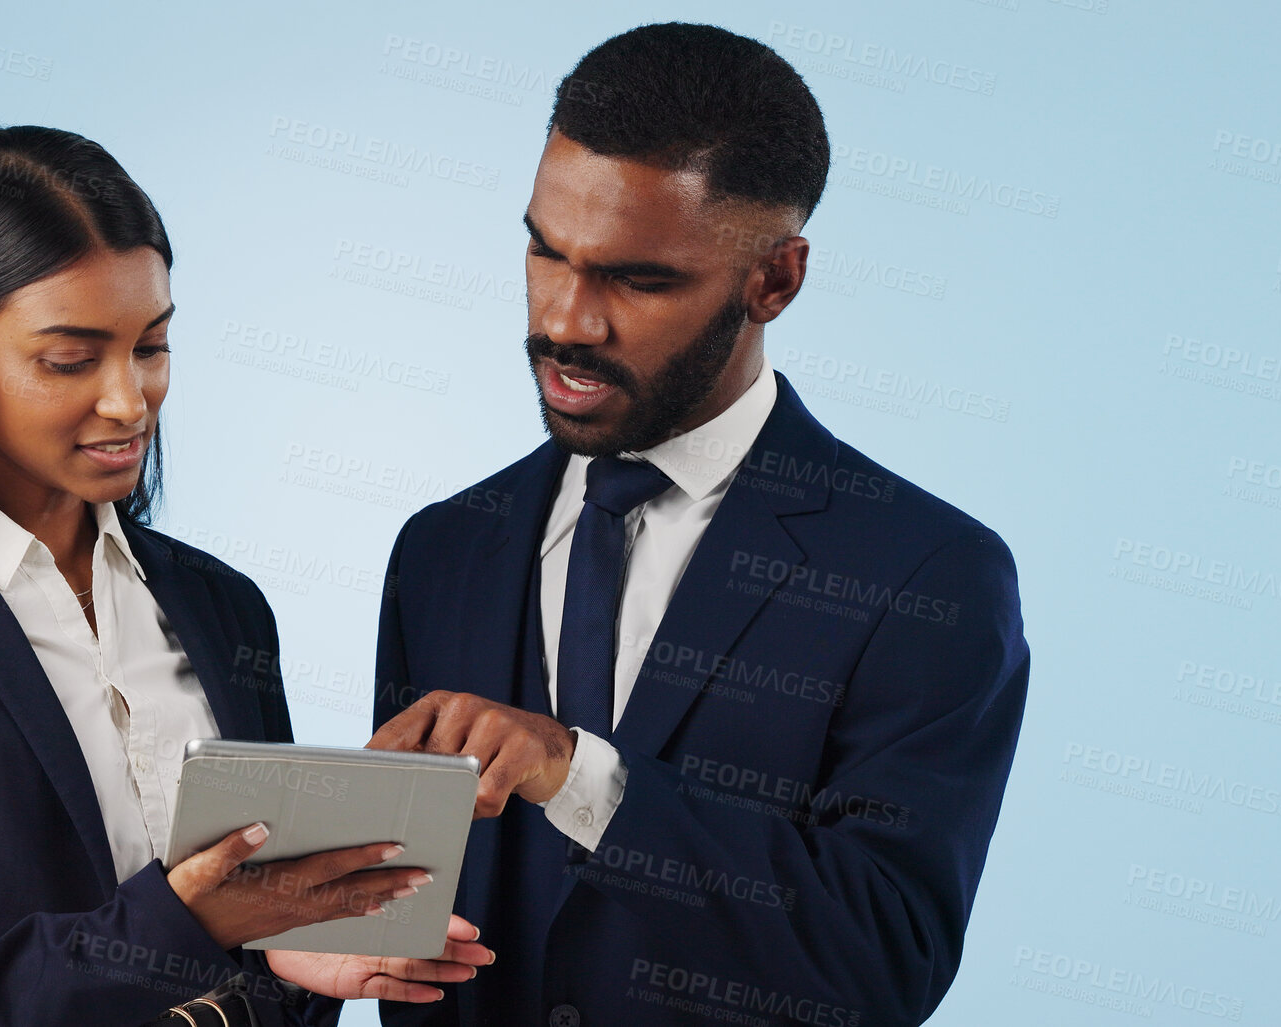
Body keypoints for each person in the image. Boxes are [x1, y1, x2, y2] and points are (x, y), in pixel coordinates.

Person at [0, 126, 489, 1027]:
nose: (129, 401)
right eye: (70, 359)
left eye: (151, 347)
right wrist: (180, 923)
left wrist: (288, 950)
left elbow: (250, 968)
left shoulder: (223, 607)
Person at [367, 24, 1029, 1027]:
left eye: (638, 279)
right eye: (547, 250)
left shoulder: (929, 574)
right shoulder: (443, 548)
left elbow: (883, 958)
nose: (567, 320)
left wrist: (582, 776)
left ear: (776, 279)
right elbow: (406, 940)